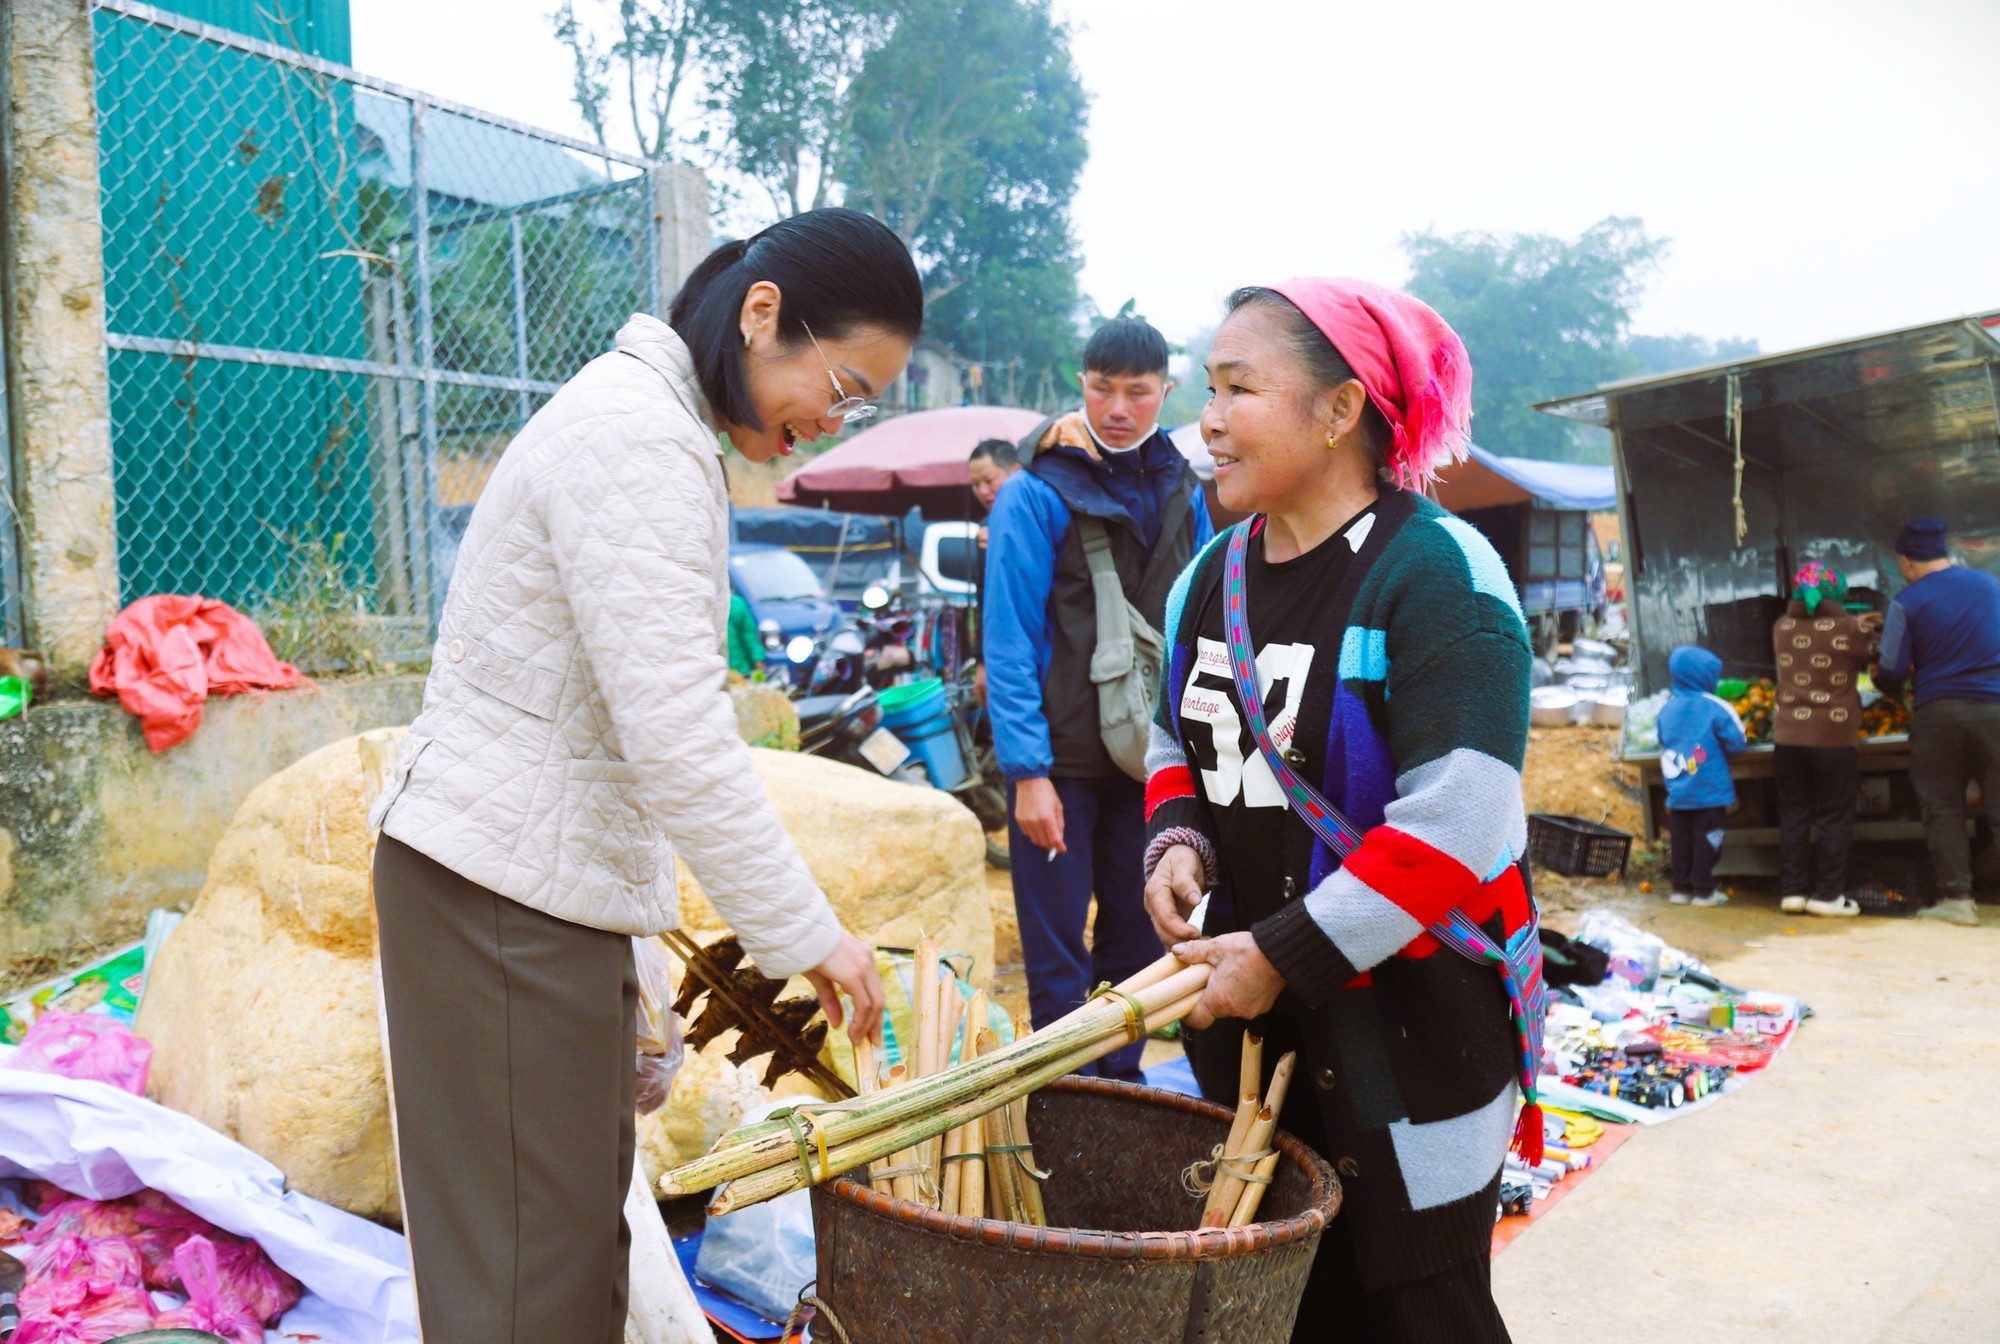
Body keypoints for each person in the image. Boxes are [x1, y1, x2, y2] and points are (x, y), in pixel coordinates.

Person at [367, 209, 912, 1344]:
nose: (832, 421)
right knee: (529, 1288)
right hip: (496, 901)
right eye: (843, 385)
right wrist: (809, 937)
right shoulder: (641, 440)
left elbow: (615, 739)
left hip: (520, 891)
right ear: (763, 316)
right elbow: (674, 736)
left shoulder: (652, 425)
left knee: (556, 1259)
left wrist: (638, 979)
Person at [1144, 278, 1530, 1342]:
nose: (1206, 421)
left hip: (1408, 1043)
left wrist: (1282, 951)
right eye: (1205, 390)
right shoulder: (1207, 576)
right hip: (1249, 1046)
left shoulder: (1437, 575)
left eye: (1236, 389)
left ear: (1338, 410)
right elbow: (1173, 741)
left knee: (1417, 1307)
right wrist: (1173, 840)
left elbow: (1458, 818)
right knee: (1281, 1310)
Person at [984, 316, 1214, 1080]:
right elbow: (1009, 637)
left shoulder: (1185, 487)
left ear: (1165, 393)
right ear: (1080, 383)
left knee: (1140, 945)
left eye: (1138, 392)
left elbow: (1205, 619)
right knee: (1056, 960)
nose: (1119, 407)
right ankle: (1061, 1106)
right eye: (1102, 388)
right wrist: (1027, 773)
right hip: (1060, 764)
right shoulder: (1034, 492)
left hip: (1152, 768)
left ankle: (1120, 1096)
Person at [1876, 517, 2000, 927]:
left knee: (1944, 807)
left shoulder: (1906, 602)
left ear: (1906, 560)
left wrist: (1886, 681)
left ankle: (1958, 902)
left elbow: (1891, 669)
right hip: (1996, 708)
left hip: (1939, 715)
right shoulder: (1990, 585)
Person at [1772, 562, 1881, 917]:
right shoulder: (1849, 629)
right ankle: (1828, 895)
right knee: (1834, 816)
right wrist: (1872, 626)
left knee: (1794, 814)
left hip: (1787, 737)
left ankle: (1792, 892)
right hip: (1833, 738)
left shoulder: (1781, 627)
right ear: (1838, 593)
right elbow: (1877, 652)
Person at [1657, 646, 1748, 907]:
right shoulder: (1717, 706)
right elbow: (1738, 743)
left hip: (1680, 792)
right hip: (1711, 792)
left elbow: (1663, 739)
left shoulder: (1667, 709)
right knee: (1709, 840)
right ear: (1705, 676)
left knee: (1681, 841)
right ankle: (1704, 892)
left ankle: (1680, 889)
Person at [968, 437, 1024, 707]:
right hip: (1005, 654)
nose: (983, 491)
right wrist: (982, 663)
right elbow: (985, 601)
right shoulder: (985, 530)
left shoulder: (1043, 514)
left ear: (1015, 472)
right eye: (976, 485)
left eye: (989, 481)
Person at [727, 590, 764, 678]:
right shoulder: (735, 603)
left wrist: (758, 658)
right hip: (735, 668)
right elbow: (749, 635)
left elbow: (749, 635)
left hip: (738, 668)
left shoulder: (735, 604)